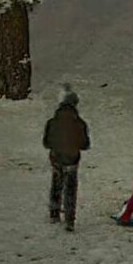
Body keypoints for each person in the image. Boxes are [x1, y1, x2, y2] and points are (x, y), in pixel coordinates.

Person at [42, 86, 90, 232]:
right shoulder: (80, 123)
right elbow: (84, 144)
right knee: (70, 188)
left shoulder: (52, 122)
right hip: (72, 160)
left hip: (56, 158)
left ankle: (54, 213)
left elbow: (46, 143)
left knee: (56, 184)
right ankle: (69, 219)